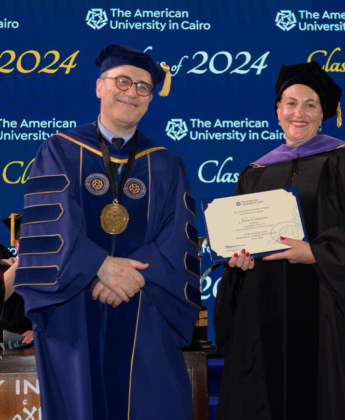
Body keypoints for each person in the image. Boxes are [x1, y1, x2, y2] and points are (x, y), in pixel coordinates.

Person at [14, 44, 201, 420]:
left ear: (150, 100)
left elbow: (176, 237)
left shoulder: (167, 164)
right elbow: (49, 227)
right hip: (73, 309)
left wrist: (130, 275)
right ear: (100, 86)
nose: (131, 92)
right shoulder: (59, 150)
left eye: (143, 87)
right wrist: (98, 265)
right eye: (122, 81)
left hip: (144, 304)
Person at [214, 61, 345, 420]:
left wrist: (317, 253)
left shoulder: (341, 162)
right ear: (277, 111)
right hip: (263, 311)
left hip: (327, 315)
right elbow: (240, 243)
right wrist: (238, 262)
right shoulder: (256, 173)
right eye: (290, 103)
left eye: (310, 104)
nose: (298, 112)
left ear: (326, 115)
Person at [0, 214, 33, 344]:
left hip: (41, 347)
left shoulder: (57, 272)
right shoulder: (4, 266)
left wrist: (40, 330)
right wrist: (25, 260)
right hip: (7, 350)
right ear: (16, 244)